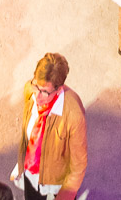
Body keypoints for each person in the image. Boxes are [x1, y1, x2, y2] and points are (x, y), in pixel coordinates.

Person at [11, 51, 88, 200]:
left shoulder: (74, 116)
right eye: (36, 87)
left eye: (45, 92)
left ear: (59, 89)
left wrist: (65, 196)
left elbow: (78, 165)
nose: (37, 97)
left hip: (56, 177)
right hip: (31, 171)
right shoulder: (31, 90)